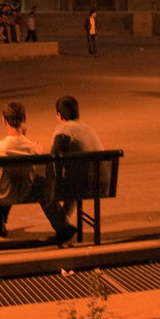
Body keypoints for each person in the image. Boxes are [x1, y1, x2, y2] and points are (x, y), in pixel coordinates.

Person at [42, 95, 104, 243]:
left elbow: (53, 158)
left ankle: (62, 226)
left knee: (43, 190)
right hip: (100, 184)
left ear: (59, 115)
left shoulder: (63, 130)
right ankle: (63, 224)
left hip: (81, 184)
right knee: (75, 180)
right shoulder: (88, 129)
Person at [0, 101, 45, 237]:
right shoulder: (35, 146)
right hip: (27, 191)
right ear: (24, 119)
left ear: (4, 121)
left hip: (4, 193)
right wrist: (24, 138)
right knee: (14, 178)